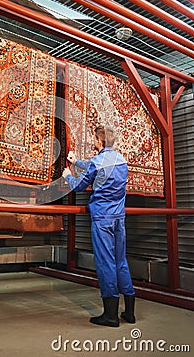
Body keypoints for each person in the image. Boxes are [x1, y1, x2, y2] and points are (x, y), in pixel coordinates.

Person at [62, 125, 135, 327]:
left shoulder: (97, 162)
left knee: (105, 263)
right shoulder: (121, 161)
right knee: (120, 261)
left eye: (95, 139)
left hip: (102, 219)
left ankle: (110, 316)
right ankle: (129, 312)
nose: (93, 141)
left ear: (99, 141)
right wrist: (77, 162)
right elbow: (99, 166)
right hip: (119, 218)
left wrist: (68, 174)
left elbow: (78, 186)